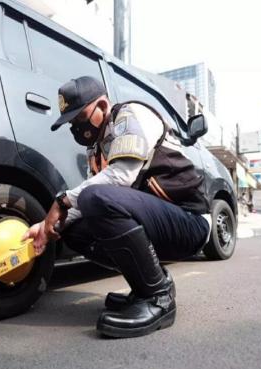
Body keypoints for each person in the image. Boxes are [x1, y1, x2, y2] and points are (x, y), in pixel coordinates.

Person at [23, 76, 211, 338]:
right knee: (72, 228)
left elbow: (121, 176)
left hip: (188, 220)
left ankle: (158, 297)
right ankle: (144, 283)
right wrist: (46, 225)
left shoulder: (130, 114)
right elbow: (93, 201)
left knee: (93, 198)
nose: (76, 127)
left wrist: (62, 200)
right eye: (71, 123)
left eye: (80, 117)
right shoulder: (97, 148)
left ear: (101, 105)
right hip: (156, 220)